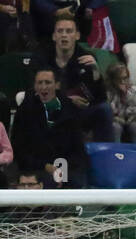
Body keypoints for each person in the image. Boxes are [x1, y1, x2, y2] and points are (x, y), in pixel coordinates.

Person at [36, 9, 112, 144]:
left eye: (69, 31)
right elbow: (36, 93)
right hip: (50, 111)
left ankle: (103, 155)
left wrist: (96, 74)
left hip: (79, 114)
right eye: (60, 31)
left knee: (104, 109)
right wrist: (66, 100)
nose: (64, 35)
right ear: (54, 36)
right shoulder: (43, 59)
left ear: (77, 35)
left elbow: (99, 99)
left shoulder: (87, 58)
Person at [11, 69, 88, 188]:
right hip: (35, 168)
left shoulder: (70, 109)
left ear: (57, 85)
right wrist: (46, 166)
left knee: (75, 182)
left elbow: (78, 147)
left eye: (48, 82)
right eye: (39, 83)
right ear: (34, 85)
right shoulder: (25, 110)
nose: (43, 87)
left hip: (66, 166)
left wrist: (62, 169)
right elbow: (19, 149)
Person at [104, 63, 136, 145]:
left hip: (130, 120)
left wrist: (126, 95)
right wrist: (119, 118)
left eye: (125, 78)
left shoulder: (132, 92)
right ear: (112, 80)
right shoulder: (108, 93)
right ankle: (117, 152)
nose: (122, 82)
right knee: (116, 127)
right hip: (115, 121)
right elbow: (109, 112)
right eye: (118, 79)